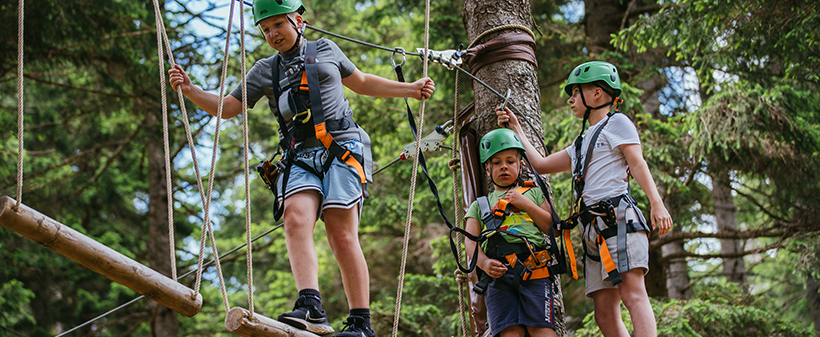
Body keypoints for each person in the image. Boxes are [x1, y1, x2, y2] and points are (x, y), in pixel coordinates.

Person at [168, 0, 435, 335]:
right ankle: (310, 305)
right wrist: (190, 90)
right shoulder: (265, 71)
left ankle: (360, 323)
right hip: (299, 155)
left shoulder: (326, 49)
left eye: (278, 24)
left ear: (298, 20)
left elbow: (362, 82)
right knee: (295, 218)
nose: (272, 34)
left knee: (340, 231)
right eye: (265, 29)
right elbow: (226, 108)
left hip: (342, 146)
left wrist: (409, 90)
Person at [496, 61, 673, 337]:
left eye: (575, 92)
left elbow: (637, 163)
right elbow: (541, 165)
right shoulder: (580, 143)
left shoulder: (618, 123)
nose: (570, 99)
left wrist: (656, 202)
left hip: (617, 220)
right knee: (603, 314)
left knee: (633, 294)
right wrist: (517, 128)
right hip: (592, 231)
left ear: (597, 94)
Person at [464, 128, 559, 337]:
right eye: (496, 163)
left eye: (510, 161)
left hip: (534, 267)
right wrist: (484, 263)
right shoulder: (480, 205)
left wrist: (526, 204)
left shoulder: (534, 193)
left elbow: (553, 227)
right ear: (487, 169)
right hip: (497, 274)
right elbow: (469, 243)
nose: (504, 167)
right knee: (509, 332)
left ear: (521, 165)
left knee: (542, 330)